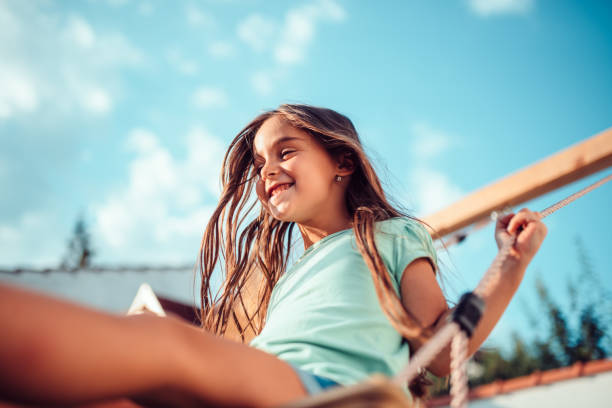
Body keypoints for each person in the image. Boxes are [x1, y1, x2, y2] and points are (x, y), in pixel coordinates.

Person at [0, 104, 547, 408]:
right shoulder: (286, 278)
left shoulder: (391, 236)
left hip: (337, 395)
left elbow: (444, 343)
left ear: (342, 163)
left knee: (161, 340)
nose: (267, 170)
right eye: (261, 162)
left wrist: (510, 262)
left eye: (286, 151)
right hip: (273, 384)